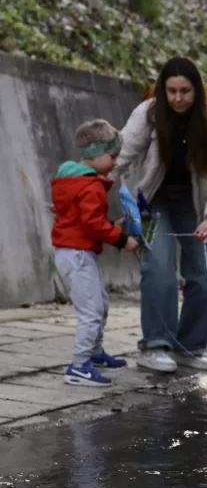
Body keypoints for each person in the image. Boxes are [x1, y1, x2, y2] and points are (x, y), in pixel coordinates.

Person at [114, 57, 207, 374]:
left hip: (194, 205)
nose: (178, 98)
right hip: (149, 203)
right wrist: (83, 185)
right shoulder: (148, 114)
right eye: (171, 91)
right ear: (162, 90)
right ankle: (156, 345)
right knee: (159, 267)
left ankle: (189, 347)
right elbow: (119, 156)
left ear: (197, 90)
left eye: (185, 91)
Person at [52, 120, 140, 387]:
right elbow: (92, 224)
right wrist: (122, 240)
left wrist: (112, 226)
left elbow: (84, 222)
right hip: (78, 255)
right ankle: (79, 366)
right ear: (96, 152)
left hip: (76, 251)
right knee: (91, 311)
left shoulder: (73, 181)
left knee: (100, 303)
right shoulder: (89, 186)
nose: (115, 162)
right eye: (112, 156)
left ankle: (94, 353)